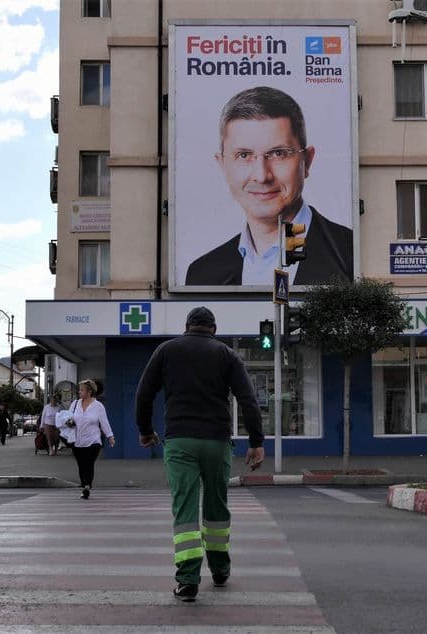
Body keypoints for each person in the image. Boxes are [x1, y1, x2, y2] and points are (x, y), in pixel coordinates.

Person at [134, 306, 265, 602]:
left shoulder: (167, 350)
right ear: (214, 329)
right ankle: (220, 570)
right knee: (217, 506)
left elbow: (144, 393)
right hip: (217, 442)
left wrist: (145, 430)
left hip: (179, 441)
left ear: (187, 326)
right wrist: (256, 441)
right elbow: (248, 399)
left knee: (185, 509)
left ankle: (188, 581)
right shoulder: (226, 354)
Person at [185, 86, 352, 287]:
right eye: (244, 155)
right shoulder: (202, 274)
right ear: (223, 165)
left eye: (278, 153)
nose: (262, 176)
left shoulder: (352, 255)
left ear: (307, 162)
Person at [68, 379, 115, 500]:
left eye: (82, 390)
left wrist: (110, 436)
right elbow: (68, 418)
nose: (79, 392)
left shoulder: (98, 406)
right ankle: (84, 484)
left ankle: (87, 486)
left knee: (89, 463)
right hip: (77, 440)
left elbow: (104, 422)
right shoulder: (75, 404)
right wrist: (69, 422)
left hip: (93, 440)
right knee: (81, 465)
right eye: (79, 390)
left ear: (89, 392)